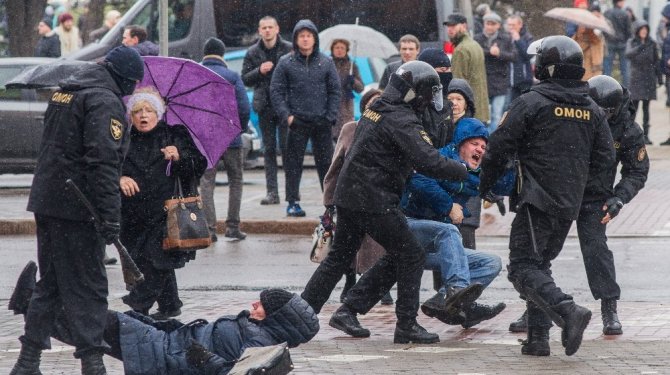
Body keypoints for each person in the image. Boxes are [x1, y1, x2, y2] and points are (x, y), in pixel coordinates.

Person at [301, 61, 469, 344]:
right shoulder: (400, 119)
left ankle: (302, 315)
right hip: (374, 199)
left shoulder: (378, 108)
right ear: (416, 94)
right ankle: (406, 325)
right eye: (428, 95)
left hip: (352, 195)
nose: (430, 101)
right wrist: (463, 170)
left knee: (340, 257)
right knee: (411, 254)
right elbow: (426, 158)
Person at [10, 45, 144, 375]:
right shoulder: (103, 100)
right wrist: (111, 215)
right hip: (79, 209)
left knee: (52, 283)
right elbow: (102, 163)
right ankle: (92, 362)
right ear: (125, 79)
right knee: (91, 286)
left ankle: (27, 362)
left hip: (49, 201)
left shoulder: (66, 92)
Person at [479, 36, 615, 357]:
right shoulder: (592, 109)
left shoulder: (531, 102)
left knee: (523, 267)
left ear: (547, 66)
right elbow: (605, 159)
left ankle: (568, 311)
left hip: (536, 200)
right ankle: (538, 339)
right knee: (541, 264)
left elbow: (498, 148)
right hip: (569, 204)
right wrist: (584, 196)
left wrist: (486, 184)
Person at [508, 75, 649, 337]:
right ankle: (538, 306)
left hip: (595, 197)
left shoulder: (629, 129)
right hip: (559, 191)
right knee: (540, 253)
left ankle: (609, 307)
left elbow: (637, 171)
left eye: (608, 112)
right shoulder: (575, 112)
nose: (603, 116)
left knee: (596, 250)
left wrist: (619, 197)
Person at [9, 270, 318, 375]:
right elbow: (200, 334)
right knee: (94, 329)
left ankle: (33, 301)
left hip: (166, 358)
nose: (254, 304)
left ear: (277, 318)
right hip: (167, 343)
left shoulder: (259, 345)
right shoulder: (258, 331)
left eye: (261, 304)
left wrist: (203, 358)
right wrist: (162, 325)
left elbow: (229, 374)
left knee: (94, 323)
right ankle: (33, 304)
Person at [119, 87, 207, 320]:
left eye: (149, 110)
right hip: (132, 215)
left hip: (167, 213)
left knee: (157, 260)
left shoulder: (174, 135)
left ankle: (138, 307)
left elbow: (199, 165)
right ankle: (170, 304)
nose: (143, 115)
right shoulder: (123, 139)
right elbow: (108, 167)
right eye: (138, 111)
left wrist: (179, 157)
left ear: (159, 114)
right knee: (142, 261)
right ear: (131, 116)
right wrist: (120, 178)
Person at [321, 89, 392, 305]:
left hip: (378, 197)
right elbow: (336, 165)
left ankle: (380, 285)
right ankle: (349, 281)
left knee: (379, 243)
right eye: (372, 102)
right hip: (348, 195)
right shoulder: (350, 129)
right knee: (347, 245)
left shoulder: (390, 129)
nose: (376, 106)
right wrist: (329, 200)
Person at [270, 19, 341, 217]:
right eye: (301, 36)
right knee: (293, 164)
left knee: (327, 165)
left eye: (309, 35)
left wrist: (330, 116)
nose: (305, 39)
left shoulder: (326, 62)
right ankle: (293, 202)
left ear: (315, 38)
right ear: (295, 39)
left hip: (321, 122)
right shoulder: (286, 62)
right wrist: (287, 117)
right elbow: (276, 91)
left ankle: (330, 205)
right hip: (297, 122)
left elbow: (335, 90)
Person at [199, 37, 251, 241]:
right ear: (221, 54)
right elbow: (244, 107)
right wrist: (240, 128)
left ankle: (209, 229)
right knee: (236, 180)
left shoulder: (198, 75)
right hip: (231, 138)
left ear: (205, 53)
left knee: (206, 181)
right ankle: (232, 226)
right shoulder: (232, 76)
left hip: (207, 139)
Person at [242, 16, 293, 206]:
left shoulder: (288, 49)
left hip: (285, 105)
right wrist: (259, 71)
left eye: (270, 27)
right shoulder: (253, 52)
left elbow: (296, 75)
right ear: (259, 30)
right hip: (264, 106)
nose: (267, 31)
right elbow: (245, 78)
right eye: (264, 28)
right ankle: (272, 192)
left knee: (289, 149)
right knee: (269, 150)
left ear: (277, 29)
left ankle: (291, 192)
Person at [474, 11, 517, 132]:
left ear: (498, 25)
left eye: (493, 24)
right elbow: (476, 53)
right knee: (482, 115)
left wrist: (499, 54)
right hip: (483, 82)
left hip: (500, 82)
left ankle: (492, 140)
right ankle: (483, 138)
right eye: (488, 23)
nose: (489, 26)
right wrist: (489, 52)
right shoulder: (477, 38)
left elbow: (514, 56)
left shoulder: (506, 38)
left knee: (497, 115)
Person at [445, 13, 490, 125]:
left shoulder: (461, 50)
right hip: (481, 109)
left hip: (469, 113)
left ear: (464, 26)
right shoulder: (475, 45)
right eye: (448, 26)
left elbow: (457, 85)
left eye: (453, 26)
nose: (450, 29)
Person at [625, 20, 662, 145]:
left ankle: (646, 135)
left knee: (646, 109)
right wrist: (640, 47)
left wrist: (659, 77)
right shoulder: (632, 42)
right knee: (633, 108)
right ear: (637, 31)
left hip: (648, 79)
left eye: (646, 29)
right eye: (642, 29)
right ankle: (629, 134)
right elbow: (628, 54)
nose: (644, 31)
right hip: (636, 79)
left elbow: (656, 61)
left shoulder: (652, 43)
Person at [330, 38, 364, 141]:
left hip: (346, 107)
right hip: (330, 105)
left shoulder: (352, 66)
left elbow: (360, 88)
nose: (339, 50)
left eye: (342, 48)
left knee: (344, 138)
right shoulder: (327, 63)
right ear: (332, 49)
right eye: (337, 48)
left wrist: (352, 81)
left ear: (346, 50)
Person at [506, 14, 534, 104]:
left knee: (525, 106)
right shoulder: (506, 37)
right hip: (510, 80)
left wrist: (518, 40)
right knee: (512, 108)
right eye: (509, 25)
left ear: (520, 25)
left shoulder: (527, 37)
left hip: (524, 79)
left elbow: (528, 54)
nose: (511, 28)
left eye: (513, 25)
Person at [604, 0, 632, 86]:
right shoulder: (625, 14)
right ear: (619, 2)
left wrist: (608, 37)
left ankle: (605, 86)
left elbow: (604, 28)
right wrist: (624, 39)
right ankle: (625, 89)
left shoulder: (607, 13)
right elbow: (629, 31)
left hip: (610, 42)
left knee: (607, 67)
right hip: (622, 44)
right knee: (625, 69)